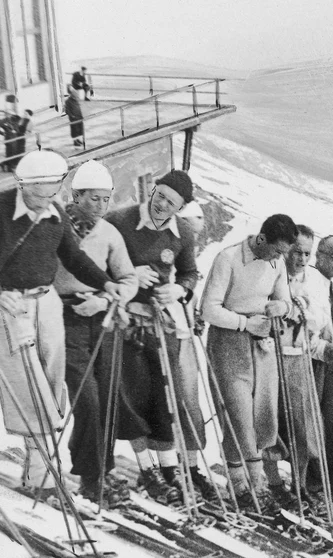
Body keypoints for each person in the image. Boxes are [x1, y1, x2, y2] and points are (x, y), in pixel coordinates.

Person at [0, 151, 124, 492]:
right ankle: (40, 474)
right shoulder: (1, 210)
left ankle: (41, 465)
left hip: (47, 303)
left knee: (53, 387)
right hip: (10, 305)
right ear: (23, 186)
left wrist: (106, 283)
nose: (47, 202)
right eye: (40, 195)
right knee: (28, 387)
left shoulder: (54, 213)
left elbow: (73, 256)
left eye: (53, 193)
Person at [107, 170, 212, 504]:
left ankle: (169, 471)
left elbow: (190, 272)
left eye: (172, 202)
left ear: (180, 207)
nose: (162, 204)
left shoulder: (181, 232)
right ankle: (147, 470)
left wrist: (179, 290)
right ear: (153, 190)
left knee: (165, 398)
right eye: (161, 195)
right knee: (131, 395)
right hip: (124, 320)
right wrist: (127, 275)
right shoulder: (119, 220)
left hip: (160, 323)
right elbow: (92, 263)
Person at [54, 160, 138, 504]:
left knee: (105, 399)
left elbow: (128, 280)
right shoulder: (58, 227)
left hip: (100, 320)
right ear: (75, 196)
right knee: (86, 398)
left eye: (106, 199)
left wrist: (104, 301)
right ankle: (93, 476)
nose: (101, 207)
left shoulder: (109, 234)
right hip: (64, 317)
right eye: (94, 199)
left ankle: (96, 470)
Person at [200, 214, 297, 512]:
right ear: (261, 239)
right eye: (277, 250)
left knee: (262, 415)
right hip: (229, 341)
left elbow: (286, 301)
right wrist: (244, 323)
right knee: (237, 412)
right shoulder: (228, 258)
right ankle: (250, 484)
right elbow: (209, 309)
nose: (280, 258)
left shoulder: (276, 262)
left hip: (263, 344)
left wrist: (279, 306)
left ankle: (242, 482)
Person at [264, 225, 333, 507]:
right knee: (268, 421)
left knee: (303, 426)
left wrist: (298, 309)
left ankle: (300, 483)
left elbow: (319, 318)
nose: (301, 258)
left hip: (298, 355)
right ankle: (272, 482)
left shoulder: (317, 280)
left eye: (306, 253)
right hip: (270, 353)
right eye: (296, 252)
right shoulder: (272, 269)